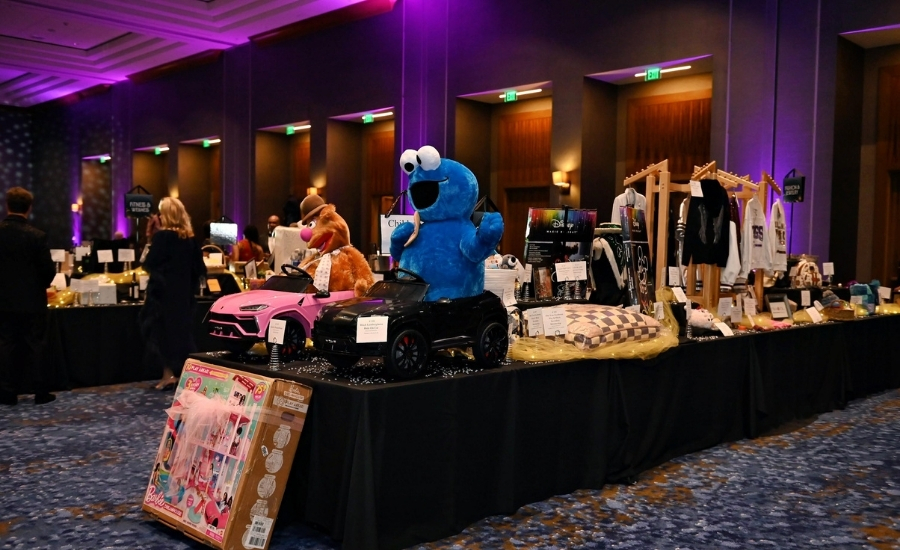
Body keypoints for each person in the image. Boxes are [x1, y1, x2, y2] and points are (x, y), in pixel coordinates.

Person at [139, 197, 206, 390]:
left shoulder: (163, 237)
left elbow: (148, 264)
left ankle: (168, 375)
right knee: (182, 334)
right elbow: (199, 270)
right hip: (184, 295)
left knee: (161, 333)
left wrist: (150, 237)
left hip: (163, 294)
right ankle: (186, 376)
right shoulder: (191, 239)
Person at [0, 187, 57, 405]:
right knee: (36, 345)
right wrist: (38, 286)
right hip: (32, 301)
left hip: (3, 301)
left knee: (5, 345)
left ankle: (7, 393)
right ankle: (40, 392)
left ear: (7, 205)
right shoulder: (37, 236)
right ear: (29, 208)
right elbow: (48, 271)